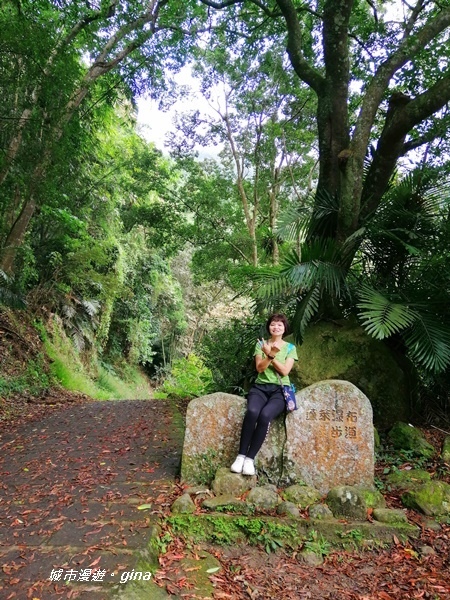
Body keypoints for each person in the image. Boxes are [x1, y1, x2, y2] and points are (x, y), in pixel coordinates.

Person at [230, 313, 298, 476]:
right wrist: (269, 354)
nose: (276, 327)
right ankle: (240, 456)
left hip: (280, 391)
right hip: (260, 388)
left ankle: (250, 459)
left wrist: (272, 355)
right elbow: (260, 368)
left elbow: (284, 371)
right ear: (269, 327)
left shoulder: (290, 348)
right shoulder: (261, 344)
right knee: (253, 412)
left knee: (265, 415)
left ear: (284, 328)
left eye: (280, 324)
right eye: (273, 324)